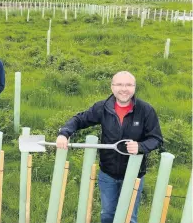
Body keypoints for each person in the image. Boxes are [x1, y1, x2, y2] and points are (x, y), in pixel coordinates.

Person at [56, 71, 163, 223]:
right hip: (108, 174)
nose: (124, 89)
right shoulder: (103, 107)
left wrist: (141, 146)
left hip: (134, 175)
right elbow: (80, 119)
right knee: (107, 214)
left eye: (128, 85)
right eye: (119, 84)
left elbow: (156, 138)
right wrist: (64, 133)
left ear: (134, 87)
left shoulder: (145, 110)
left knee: (129, 217)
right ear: (112, 87)